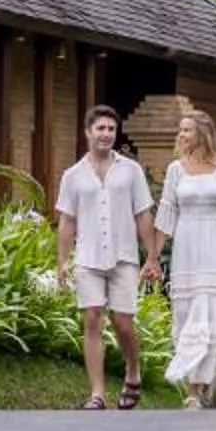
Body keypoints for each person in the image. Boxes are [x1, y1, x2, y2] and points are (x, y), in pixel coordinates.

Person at [53, 103, 157, 410]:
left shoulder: (131, 171)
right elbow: (67, 221)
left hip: (124, 256)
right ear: (88, 132)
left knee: (123, 323)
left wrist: (151, 257)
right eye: (101, 128)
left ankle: (132, 371)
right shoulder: (73, 176)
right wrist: (62, 261)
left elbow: (143, 214)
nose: (106, 134)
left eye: (111, 129)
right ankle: (97, 393)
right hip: (87, 257)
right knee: (93, 318)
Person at [153, 109, 216, 409]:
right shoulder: (175, 170)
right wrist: (153, 258)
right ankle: (201, 380)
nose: (181, 135)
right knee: (186, 317)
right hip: (186, 249)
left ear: (203, 134)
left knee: (208, 317)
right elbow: (166, 215)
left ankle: (194, 390)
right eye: (180, 130)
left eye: (187, 130)